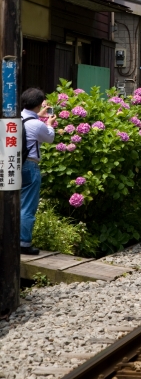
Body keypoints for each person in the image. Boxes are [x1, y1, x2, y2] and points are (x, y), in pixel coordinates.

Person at [20, 88, 56, 255]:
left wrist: (38, 115)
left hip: (15, 165)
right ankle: (24, 243)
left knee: (15, 203)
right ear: (40, 103)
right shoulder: (37, 124)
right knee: (28, 206)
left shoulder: (17, 118)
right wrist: (48, 124)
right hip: (31, 165)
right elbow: (49, 137)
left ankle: (12, 239)